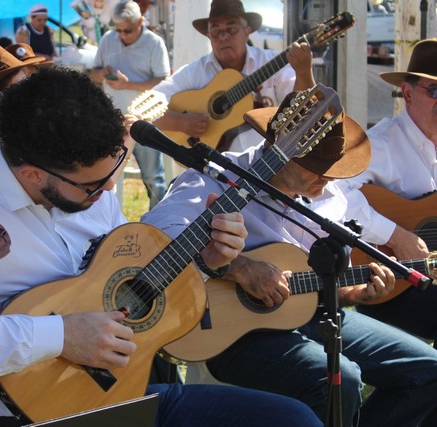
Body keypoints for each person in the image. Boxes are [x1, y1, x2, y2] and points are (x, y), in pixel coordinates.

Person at [0, 66, 322, 427]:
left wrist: (208, 263)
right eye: (92, 185)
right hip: (41, 412)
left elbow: (127, 283)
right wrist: (59, 336)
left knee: (292, 419)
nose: (108, 190)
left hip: (127, 393)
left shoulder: (87, 183)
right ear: (32, 174)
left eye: (113, 172)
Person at [142, 91, 437, 426]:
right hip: (230, 334)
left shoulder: (329, 197)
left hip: (313, 315)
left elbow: (315, 285)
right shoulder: (216, 177)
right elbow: (156, 235)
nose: (327, 180)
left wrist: (355, 293)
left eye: (332, 169)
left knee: (428, 370)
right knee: (340, 379)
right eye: (316, 169)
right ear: (278, 151)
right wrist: (238, 268)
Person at [337, 39, 437, 425]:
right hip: (386, 284)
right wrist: (396, 235)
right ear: (407, 93)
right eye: (434, 91)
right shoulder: (377, 145)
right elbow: (333, 196)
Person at [152, 0, 313, 152]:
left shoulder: (271, 63)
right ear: (208, 35)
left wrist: (304, 72)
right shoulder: (194, 72)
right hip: (212, 166)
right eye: (216, 30)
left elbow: (305, 111)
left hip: (269, 158)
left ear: (247, 32)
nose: (223, 36)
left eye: (232, 28)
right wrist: (179, 122)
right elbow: (150, 104)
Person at [92, 1, 170, 209]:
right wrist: (102, 74)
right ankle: (111, 222)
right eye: (117, 30)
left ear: (141, 22)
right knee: (108, 178)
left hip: (145, 121)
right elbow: (94, 72)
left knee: (153, 178)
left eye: (127, 30)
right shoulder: (108, 39)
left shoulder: (154, 43)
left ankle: (158, 222)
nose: (122, 35)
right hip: (113, 120)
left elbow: (163, 81)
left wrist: (128, 84)